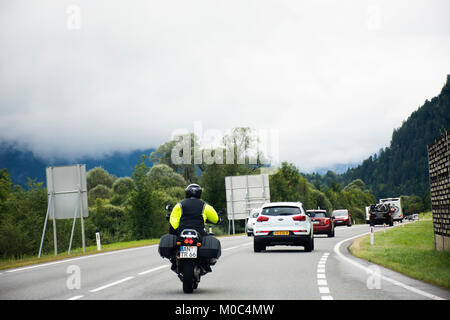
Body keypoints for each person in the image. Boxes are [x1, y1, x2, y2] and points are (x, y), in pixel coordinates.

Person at [168, 183, 222, 273]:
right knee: (208, 239)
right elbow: (215, 218)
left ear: (187, 193)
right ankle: (205, 263)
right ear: (199, 194)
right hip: (199, 232)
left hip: (182, 233)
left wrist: (173, 232)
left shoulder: (179, 205)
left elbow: (174, 222)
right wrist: (219, 220)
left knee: (175, 244)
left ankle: (175, 260)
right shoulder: (205, 206)